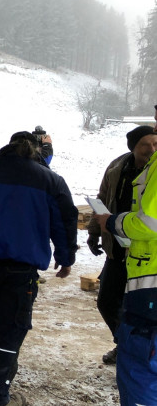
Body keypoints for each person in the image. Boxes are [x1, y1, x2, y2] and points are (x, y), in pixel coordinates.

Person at [0, 131, 78, 406]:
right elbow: (64, 221)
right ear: (35, 150)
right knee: (14, 325)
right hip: (22, 266)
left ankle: (2, 369)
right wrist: (66, 257)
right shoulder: (50, 180)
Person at [94, 106, 157, 406]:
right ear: (133, 147)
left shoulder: (155, 170)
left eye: (154, 142)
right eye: (146, 144)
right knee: (107, 301)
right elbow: (103, 198)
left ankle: (131, 347)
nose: (152, 146)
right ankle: (124, 342)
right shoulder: (117, 168)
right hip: (120, 253)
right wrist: (97, 232)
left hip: (146, 261)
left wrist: (117, 223)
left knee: (142, 327)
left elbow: (149, 223)